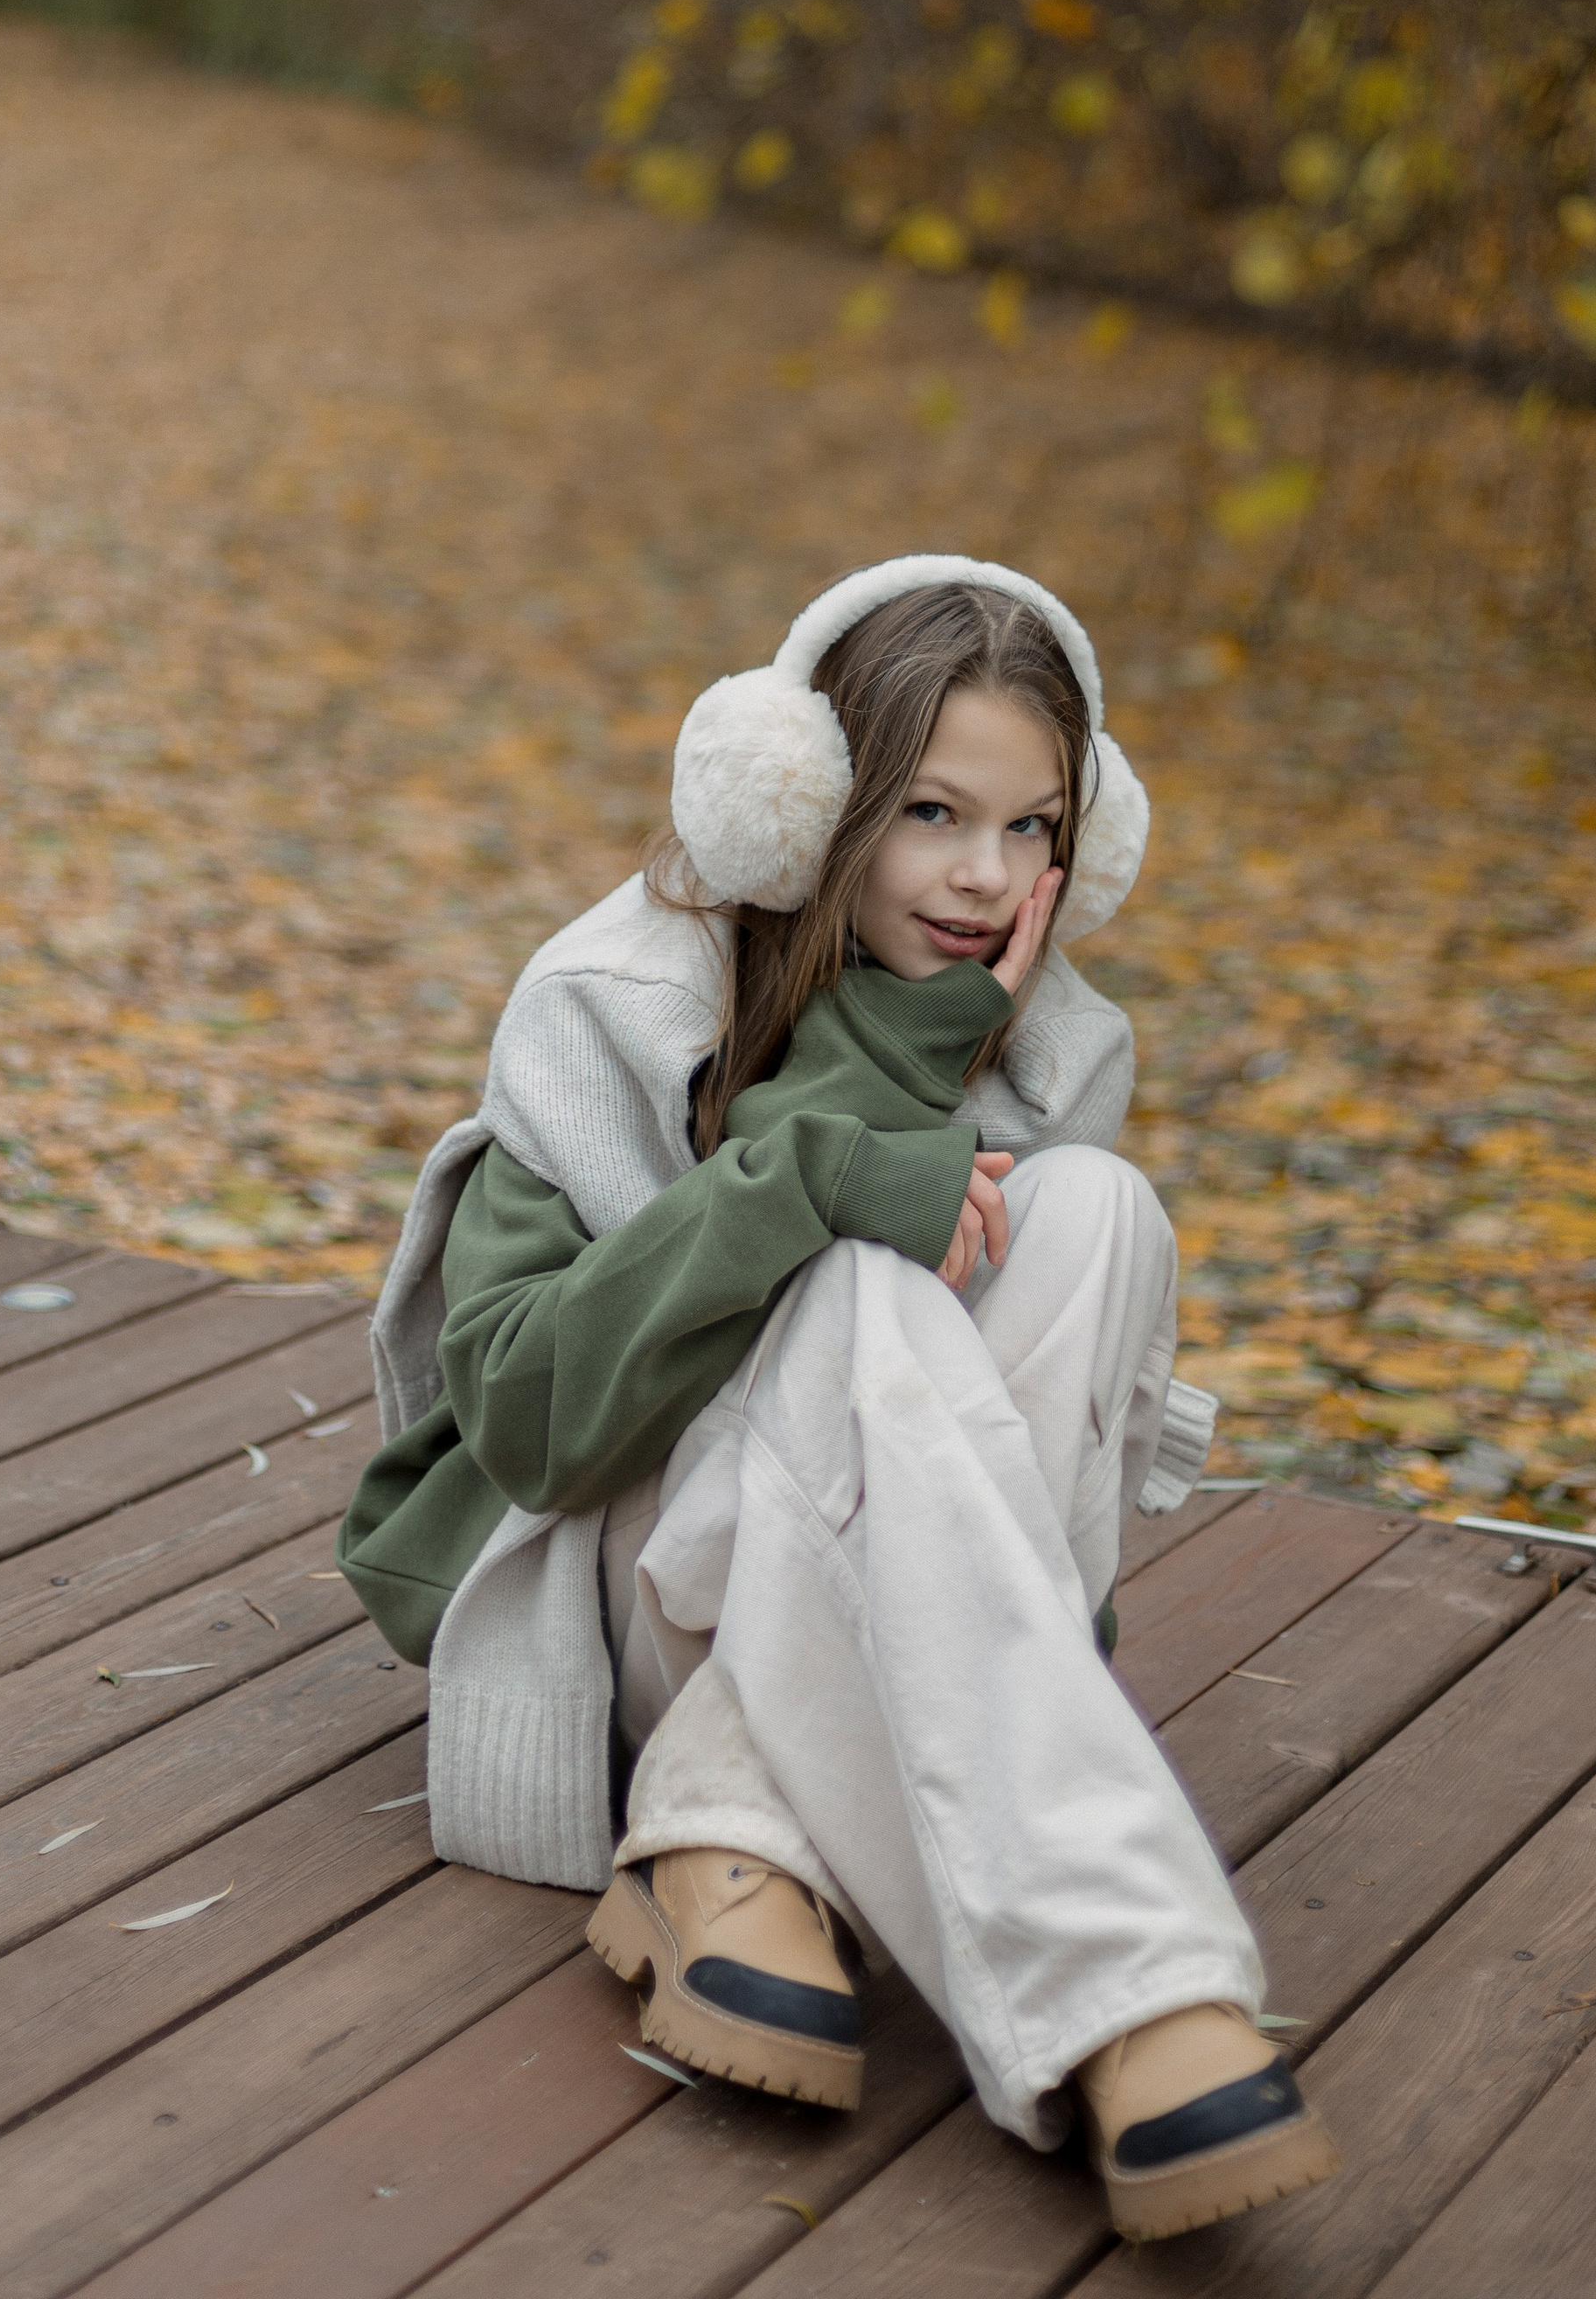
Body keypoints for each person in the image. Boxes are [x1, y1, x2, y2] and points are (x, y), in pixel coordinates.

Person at [340, 554, 1338, 2242]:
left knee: (1099, 1210)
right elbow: (525, 1421)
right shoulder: (618, 1002)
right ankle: (1130, 1978)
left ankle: (730, 1831)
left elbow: (1001, 1466)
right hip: (626, 1592)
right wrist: (806, 1181)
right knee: (873, 1273)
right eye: (934, 811)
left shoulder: (1049, 1045)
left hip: (864, 1595)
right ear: (805, 802)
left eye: (1034, 829)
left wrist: (944, 1056)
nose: (984, 875)